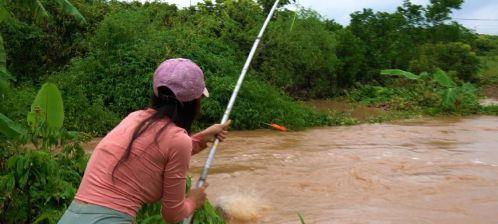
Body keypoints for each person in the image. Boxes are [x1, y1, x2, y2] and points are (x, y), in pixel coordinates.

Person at [58, 58, 231, 224]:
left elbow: (155, 153)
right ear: (193, 103)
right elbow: (173, 214)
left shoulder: (134, 119)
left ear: (156, 93)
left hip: (71, 217)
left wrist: (201, 139)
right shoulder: (178, 140)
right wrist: (193, 200)